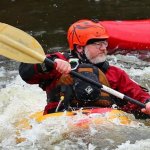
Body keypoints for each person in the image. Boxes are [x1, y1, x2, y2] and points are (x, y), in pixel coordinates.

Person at [19, 19, 150, 118]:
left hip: (102, 123)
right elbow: (26, 72)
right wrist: (50, 63)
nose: (104, 48)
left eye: (105, 43)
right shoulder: (58, 62)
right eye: (98, 44)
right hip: (60, 120)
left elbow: (139, 96)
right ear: (79, 47)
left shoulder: (115, 73)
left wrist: (147, 103)